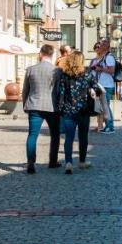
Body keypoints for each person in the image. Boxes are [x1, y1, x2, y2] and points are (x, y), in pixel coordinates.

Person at [54, 50, 99, 174]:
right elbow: (96, 88)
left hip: (68, 110)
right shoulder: (88, 73)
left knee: (69, 138)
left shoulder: (64, 74)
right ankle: (82, 161)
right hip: (83, 110)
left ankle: (68, 162)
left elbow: (61, 93)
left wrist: (60, 109)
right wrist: (90, 89)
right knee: (83, 137)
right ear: (82, 61)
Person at [22, 44, 62, 174]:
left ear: (41, 54)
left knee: (32, 135)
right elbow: (58, 91)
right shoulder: (57, 71)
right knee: (55, 135)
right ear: (52, 55)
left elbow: (25, 90)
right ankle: (53, 161)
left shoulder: (30, 70)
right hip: (52, 107)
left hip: (34, 105)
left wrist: (25, 104)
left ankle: (30, 162)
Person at [88, 40, 117, 133]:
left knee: (106, 107)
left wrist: (100, 69)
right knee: (104, 107)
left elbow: (112, 71)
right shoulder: (102, 57)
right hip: (102, 85)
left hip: (107, 85)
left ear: (106, 47)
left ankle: (110, 126)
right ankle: (107, 126)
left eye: (102, 45)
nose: (100, 46)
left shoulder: (109, 57)